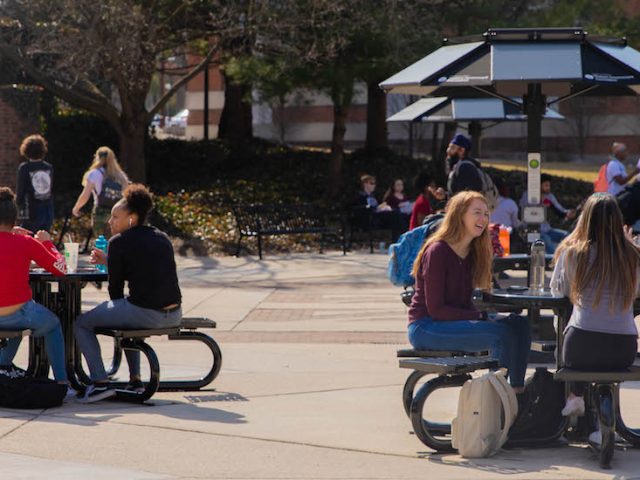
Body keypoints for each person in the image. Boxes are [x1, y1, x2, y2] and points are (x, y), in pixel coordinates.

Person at [407, 191, 531, 390]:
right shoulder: (438, 251)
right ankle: (499, 397)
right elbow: (437, 310)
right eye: (477, 213)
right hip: (426, 327)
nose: (483, 219)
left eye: (486, 214)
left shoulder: (471, 253)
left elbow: (464, 304)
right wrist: (481, 316)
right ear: (459, 215)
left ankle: (516, 391)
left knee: (519, 325)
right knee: (500, 334)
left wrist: (489, 316)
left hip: (452, 323)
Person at [75, 184, 182, 403]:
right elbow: (147, 270)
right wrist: (112, 262)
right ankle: (135, 379)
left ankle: (99, 383)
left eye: (115, 217)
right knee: (126, 312)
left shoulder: (119, 242)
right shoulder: (161, 237)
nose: (110, 221)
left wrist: (113, 265)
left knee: (81, 323)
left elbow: (115, 292)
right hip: (174, 313)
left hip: (146, 312)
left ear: (132, 218)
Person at [550, 193, 639, 443]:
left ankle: (574, 396)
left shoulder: (572, 254)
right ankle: (600, 419)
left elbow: (558, 291)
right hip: (623, 349)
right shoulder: (633, 255)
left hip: (581, 348)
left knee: (569, 325)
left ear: (585, 220)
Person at [0, 187, 74, 395]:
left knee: (14, 334)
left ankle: (3, 367)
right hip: (20, 313)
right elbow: (60, 269)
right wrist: (48, 243)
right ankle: (62, 383)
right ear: (14, 217)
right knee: (53, 325)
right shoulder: (26, 242)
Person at [72, 147, 129, 238]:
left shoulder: (95, 173)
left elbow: (85, 195)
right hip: (117, 213)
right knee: (115, 241)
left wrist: (76, 208)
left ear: (97, 158)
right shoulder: (120, 175)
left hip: (100, 212)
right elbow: (127, 195)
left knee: (101, 242)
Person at [520, 173, 576, 254]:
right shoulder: (527, 195)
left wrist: (568, 213)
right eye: (546, 185)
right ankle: (551, 263)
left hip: (547, 229)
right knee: (548, 243)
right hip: (534, 231)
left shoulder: (549, 196)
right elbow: (525, 210)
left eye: (549, 186)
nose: (548, 188)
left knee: (567, 236)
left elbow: (559, 209)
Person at [16, 134, 54, 232]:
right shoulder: (48, 167)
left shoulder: (24, 168)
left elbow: (20, 191)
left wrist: (17, 206)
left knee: (28, 240)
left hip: (31, 211)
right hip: (47, 210)